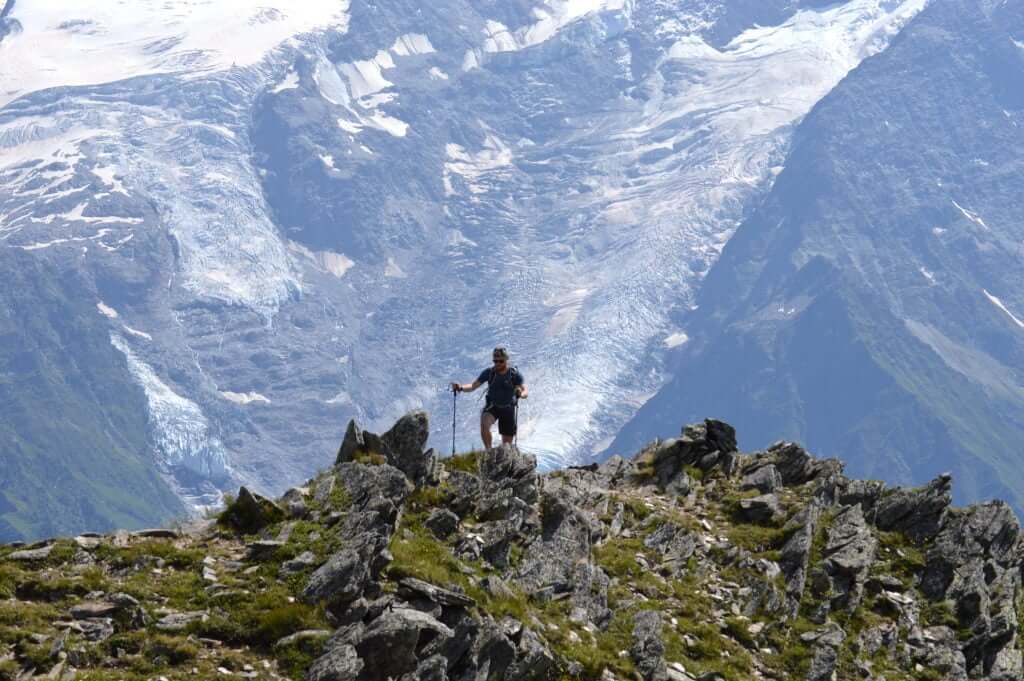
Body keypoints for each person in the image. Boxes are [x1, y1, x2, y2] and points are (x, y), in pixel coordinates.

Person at [451, 347, 528, 450]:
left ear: (506, 360)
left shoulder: (514, 374)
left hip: (508, 409)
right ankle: (489, 452)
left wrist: (520, 394)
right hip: (492, 406)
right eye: (495, 361)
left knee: (507, 447)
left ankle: (503, 458)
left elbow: (525, 391)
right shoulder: (489, 373)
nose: (498, 364)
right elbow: (473, 386)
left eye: (501, 361)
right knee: (484, 424)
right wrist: (460, 387)